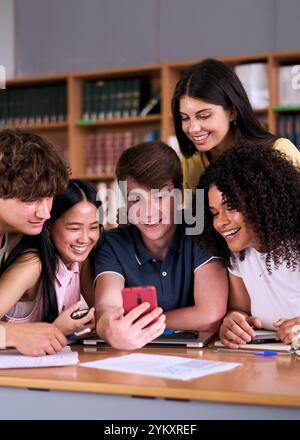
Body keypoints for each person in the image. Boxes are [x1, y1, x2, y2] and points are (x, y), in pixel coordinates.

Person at [94, 141, 228, 350]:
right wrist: (107, 327)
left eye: (160, 197)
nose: (148, 212)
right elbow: (106, 307)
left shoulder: (201, 231)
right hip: (134, 359)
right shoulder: (113, 243)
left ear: (180, 195)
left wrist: (139, 325)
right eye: (135, 199)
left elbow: (210, 315)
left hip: (198, 358)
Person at [198, 143, 300, 349]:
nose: (220, 222)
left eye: (231, 207)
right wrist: (233, 320)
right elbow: (239, 309)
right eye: (214, 213)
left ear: (261, 201)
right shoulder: (238, 254)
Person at [171, 58, 300, 192]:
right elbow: (192, 212)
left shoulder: (280, 152)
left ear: (232, 111)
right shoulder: (190, 164)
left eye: (204, 116)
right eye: (185, 118)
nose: (193, 129)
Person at [0, 179, 100, 338]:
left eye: (94, 227)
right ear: (48, 227)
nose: (84, 239)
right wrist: (55, 330)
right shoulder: (31, 266)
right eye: (74, 228)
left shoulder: (80, 262)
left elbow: (102, 311)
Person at [0, 128, 70, 356]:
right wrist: (14, 334)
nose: (45, 213)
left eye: (48, 197)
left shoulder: (10, 235)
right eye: (31, 200)